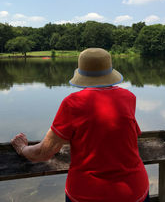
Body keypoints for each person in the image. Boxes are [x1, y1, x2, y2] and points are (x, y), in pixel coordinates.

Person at [11, 48, 150, 202]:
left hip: (88, 194)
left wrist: (22, 148)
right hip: (135, 191)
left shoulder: (73, 103)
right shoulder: (128, 97)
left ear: (81, 74)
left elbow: (44, 153)